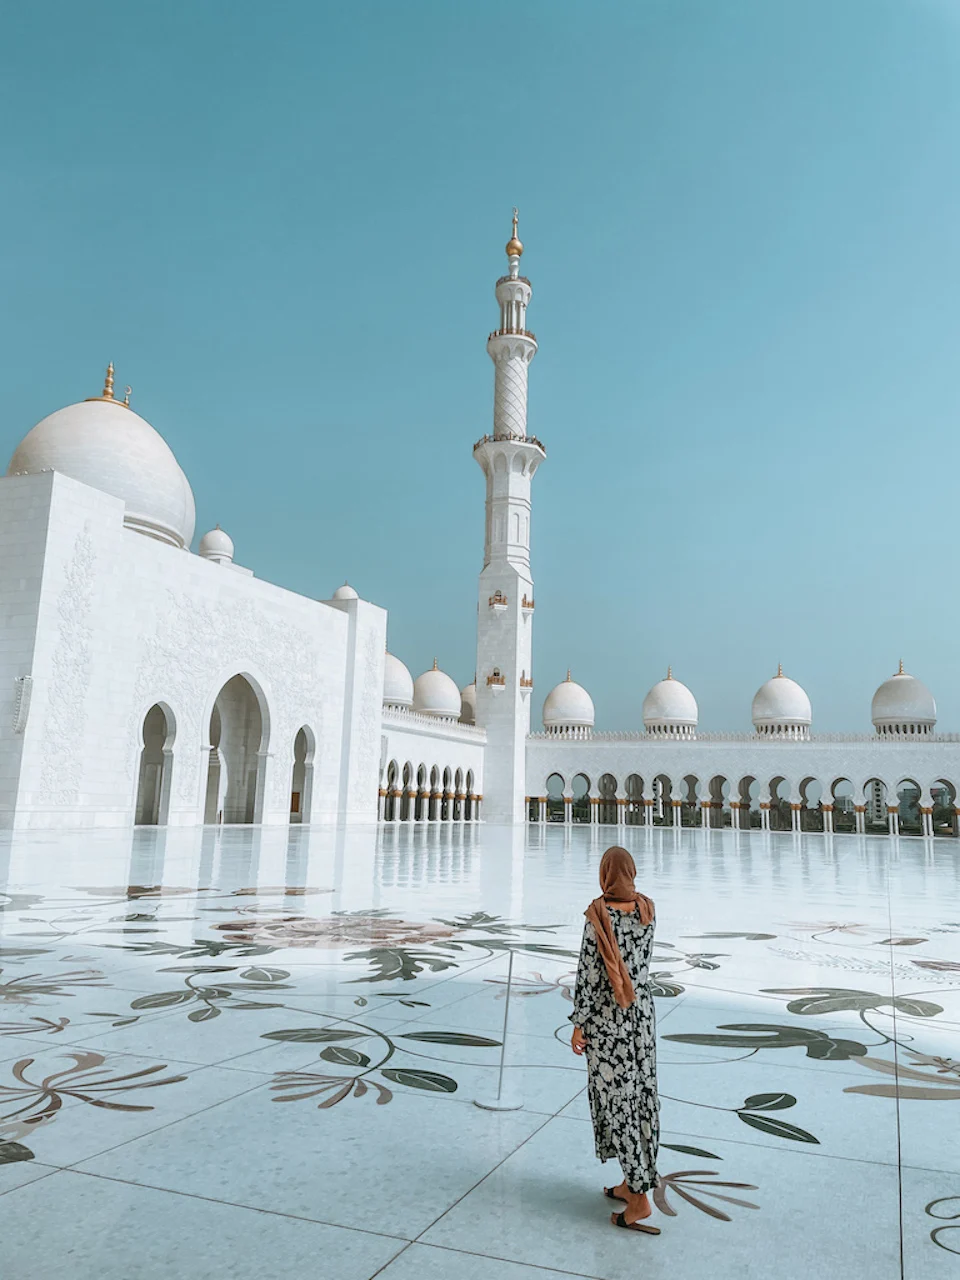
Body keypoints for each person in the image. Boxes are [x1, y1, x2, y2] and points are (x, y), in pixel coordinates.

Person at [570, 845, 660, 1235]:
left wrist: (579, 1023)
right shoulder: (647, 910)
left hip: (609, 1025)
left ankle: (639, 1200)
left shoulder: (598, 917)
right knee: (640, 1099)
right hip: (641, 1020)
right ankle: (633, 1181)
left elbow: (590, 976)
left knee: (618, 1105)